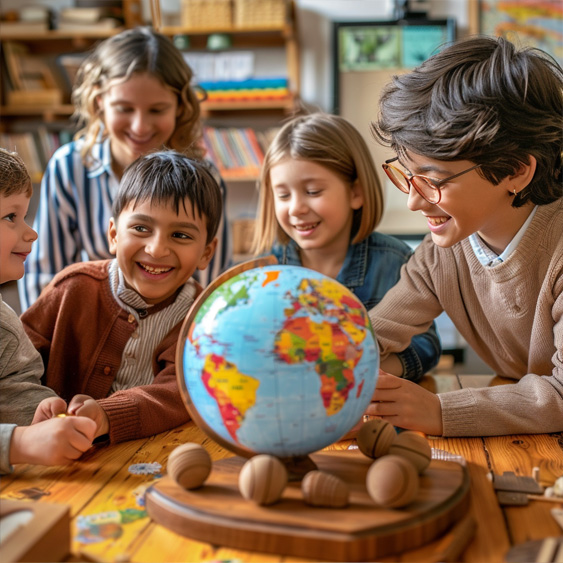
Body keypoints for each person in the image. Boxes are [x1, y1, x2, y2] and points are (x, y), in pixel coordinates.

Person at [365, 36, 563, 436]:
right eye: (407, 174)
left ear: (515, 171)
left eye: (434, 181)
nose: (414, 203)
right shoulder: (441, 255)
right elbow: (369, 336)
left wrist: (440, 412)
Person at [20, 26, 231, 310]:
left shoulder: (206, 178)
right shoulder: (68, 167)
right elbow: (44, 276)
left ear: (180, 108)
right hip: (86, 331)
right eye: (124, 108)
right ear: (99, 103)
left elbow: (212, 286)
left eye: (157, 110)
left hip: (174, 336)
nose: (140, 126)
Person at [22, 151, 222, 443]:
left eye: (180, 235)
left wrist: (106, 415)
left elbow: (180, 392)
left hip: (151, 458)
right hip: (56, 459)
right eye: (141, 228)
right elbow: (16, 363)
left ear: (206, 252)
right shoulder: (73, 287)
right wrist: (36, 404)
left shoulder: (204, 317)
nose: (156, 250)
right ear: (114, 235)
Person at [252, 112, 441, 381]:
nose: (296, 208)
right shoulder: (264, 273)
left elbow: (426, 347)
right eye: (283, 195)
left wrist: (363, 373)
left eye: (313, 191)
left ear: (356, 193)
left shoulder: (395, 262)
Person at [0, 148, 96, 474]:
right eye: (11, 217)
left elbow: (13, 393)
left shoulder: (4, 322)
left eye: (25, 216)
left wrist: (39, 414)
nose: (31, 233)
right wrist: (21, 443)